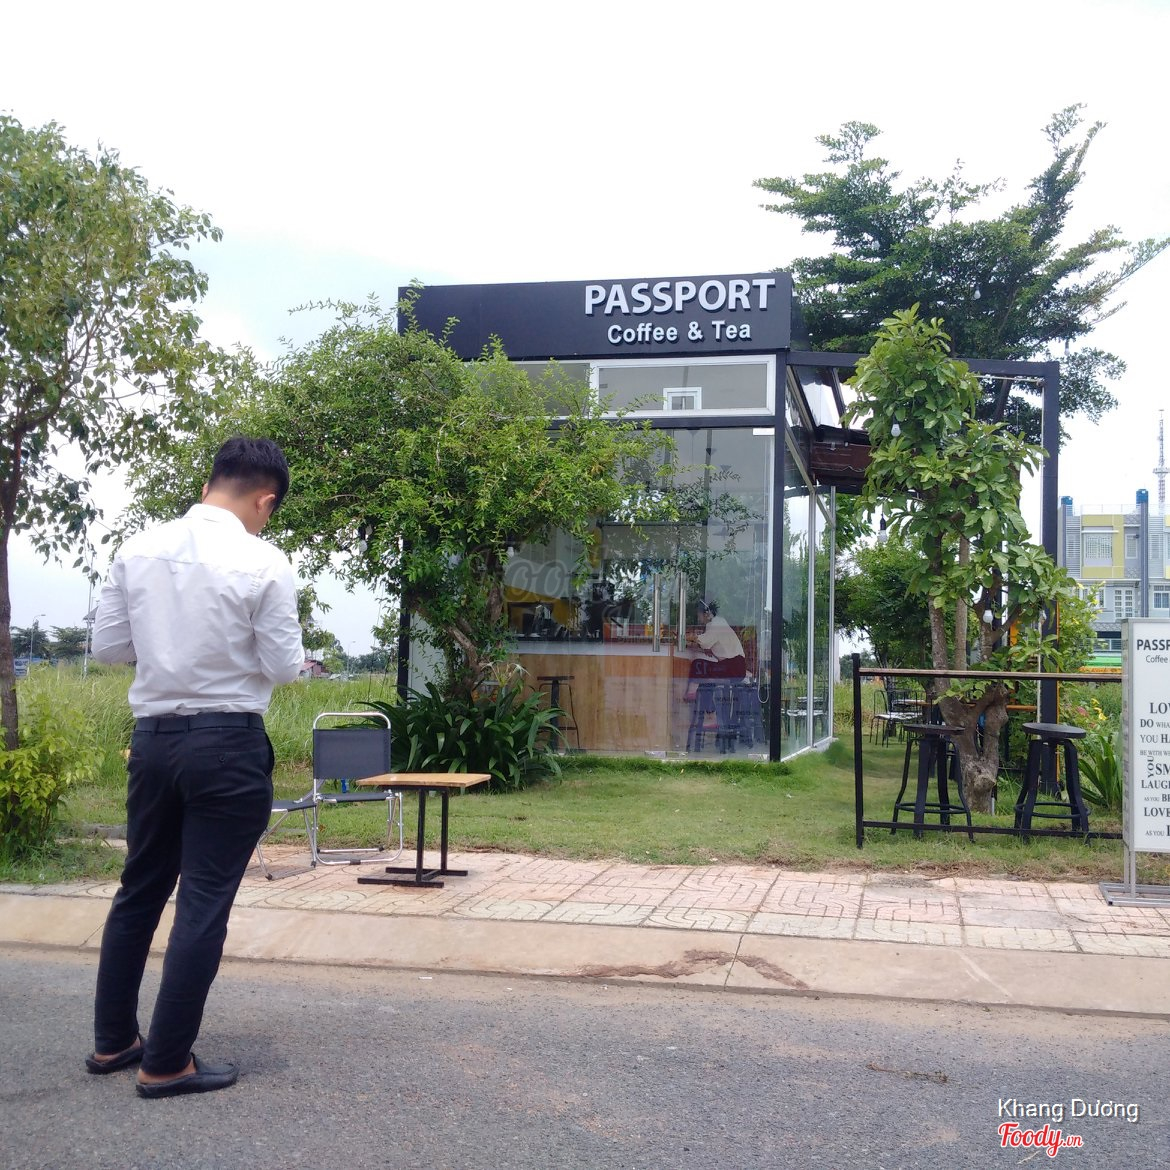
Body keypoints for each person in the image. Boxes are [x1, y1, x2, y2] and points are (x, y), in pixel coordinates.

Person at [86, 437, 305, 1099]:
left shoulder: (136, 549)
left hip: (152, 742)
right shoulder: (264, 561)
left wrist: (169, 646)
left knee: (139, 889)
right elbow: (284, 667)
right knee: (203, 901)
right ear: (265, 500)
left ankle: (114, 1041)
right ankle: (167, 1062)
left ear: (210, 484)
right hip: (227, 744)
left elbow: (108, 649)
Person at [685, 599, 747, 694]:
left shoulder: (715, 623)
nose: (698, 617)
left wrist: (690, 637)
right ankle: (706, 702)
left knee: (698, 665)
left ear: (706, 613)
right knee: (706, 679)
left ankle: (690, 692)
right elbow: (712, 641)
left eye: (699, 614)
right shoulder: (719, 621)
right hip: (736, 667)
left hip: (733, 667)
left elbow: (705, 642)